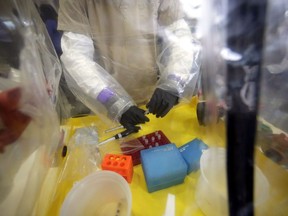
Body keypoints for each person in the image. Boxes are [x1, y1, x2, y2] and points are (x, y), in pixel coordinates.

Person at [58, 0, 201, 130]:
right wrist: (111, 101)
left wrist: (173, 82)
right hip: (104, 102)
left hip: (152, 95)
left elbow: (179, 35)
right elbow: (76, 54)